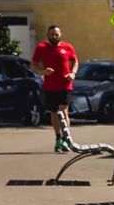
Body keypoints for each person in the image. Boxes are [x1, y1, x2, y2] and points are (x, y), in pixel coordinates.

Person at [31, 24, 78, 152]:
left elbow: (75, 61)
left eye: (56, 34)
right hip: (50, 86)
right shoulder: (41, 47)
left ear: (60, 35)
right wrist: (43, 71)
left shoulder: (67, 47)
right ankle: (58, 138)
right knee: (54, 112)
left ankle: (66, 138)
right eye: (52, 34)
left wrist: (73, 73)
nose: (54, 36)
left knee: (63, 111)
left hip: (65, 84)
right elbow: (34, 64)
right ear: (48, 35)